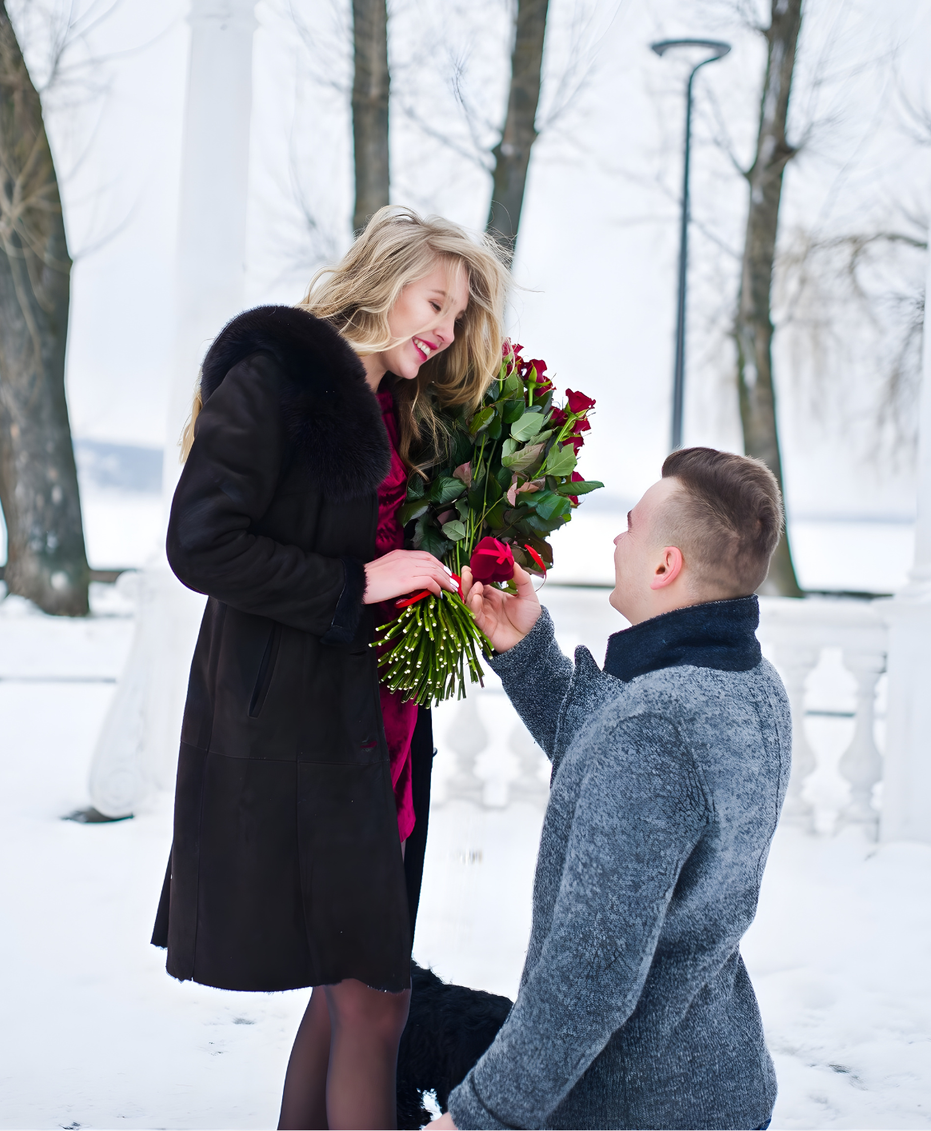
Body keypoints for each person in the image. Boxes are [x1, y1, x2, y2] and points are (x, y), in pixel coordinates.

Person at [151, 206, 511, 1130]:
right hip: (300, 741)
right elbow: (200, 544)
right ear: (383, 279)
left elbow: (392, 534)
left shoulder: (397, 404)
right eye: (437, 300)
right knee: (375, 998)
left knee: (345, 990)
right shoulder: (275, 382)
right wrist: (360, 581)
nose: (446, 328)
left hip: (380, 735)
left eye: (459, 314)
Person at [437, 447, 794, 1131]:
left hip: (634, 1108)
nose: (616, 538)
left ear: (667, 566)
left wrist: (475, 1117)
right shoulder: (753, 685)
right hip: (722, 1085)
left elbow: (588, 975)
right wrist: (526, 650)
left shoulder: (658, 723)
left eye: (631, 525)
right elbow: (614, 775)